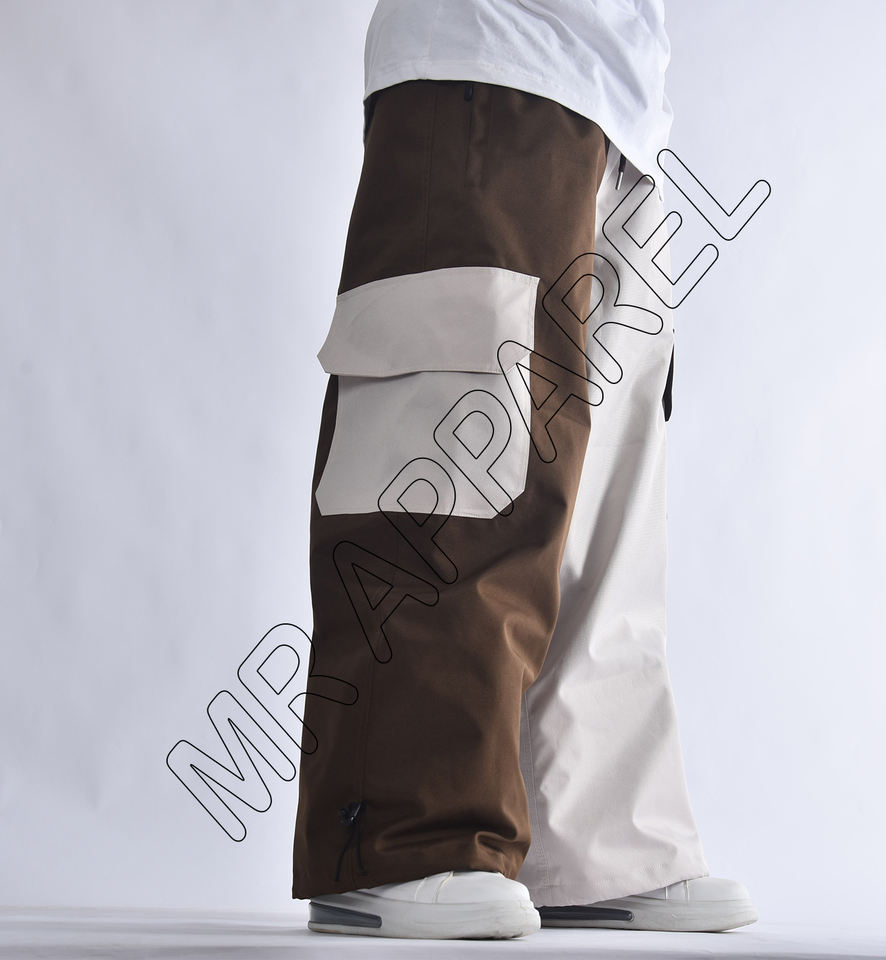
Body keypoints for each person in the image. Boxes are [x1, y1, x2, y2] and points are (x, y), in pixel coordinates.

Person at [292, 0, 758, 940]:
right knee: (455, 478)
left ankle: (592, 845)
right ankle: (401, 837)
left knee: (599, 517)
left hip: (621, 103)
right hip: (488, 58)